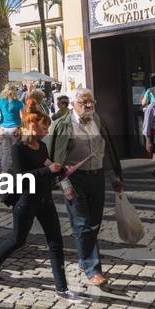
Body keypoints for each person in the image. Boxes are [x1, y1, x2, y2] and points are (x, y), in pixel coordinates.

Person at [0, 111, 76, 301]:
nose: (46, 131)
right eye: (44, 128)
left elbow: (48, 170)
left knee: (55, 242)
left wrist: (61, 171)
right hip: (27, 201)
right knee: (18, 240)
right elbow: (21, 177)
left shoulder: (42, 146)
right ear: (33, 127)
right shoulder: (19, 148)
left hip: (45, 199)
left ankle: (62, 287)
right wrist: (47, 170)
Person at [46, 89, 123, 287]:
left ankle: (84, 257)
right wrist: (59, 178)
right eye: (83, 102)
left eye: (91, 102)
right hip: (74, 179)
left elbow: (105, 151)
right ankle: (93, 269)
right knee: (82, 223)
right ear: (73, 104)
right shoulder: (62, 124)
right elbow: (52, 154)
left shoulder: (98, 121)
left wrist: (113, 176)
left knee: (95, 222)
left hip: (96, 177)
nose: (88, 105)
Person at [0, 85, 24, 174]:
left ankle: (4, 172)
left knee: (6, 152)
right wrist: (21, 127)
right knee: (16, 151)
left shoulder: (0, 102)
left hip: (3, 129)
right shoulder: (18, 103)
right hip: (15, 129)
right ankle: (17, 171)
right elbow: (22, 117)